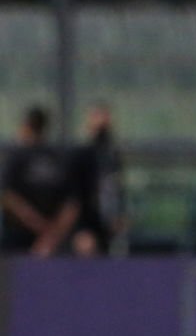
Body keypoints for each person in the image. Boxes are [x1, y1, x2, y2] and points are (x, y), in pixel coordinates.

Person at [1, 105, 79, 256]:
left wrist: (40, 227)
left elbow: (7, 196)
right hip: (50, 239)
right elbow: (72, 203)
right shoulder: (59, 157)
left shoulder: (16, 156)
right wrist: (51, 234)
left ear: (26, 126)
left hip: (19, 240)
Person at [70, 101, 127, 257]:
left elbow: (117, 188)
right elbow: (75, 196)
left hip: (107, 222)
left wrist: (119, 214)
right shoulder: (82, 155)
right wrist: (79, 229)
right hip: (86, 223)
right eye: (97, 117)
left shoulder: (112, 156)